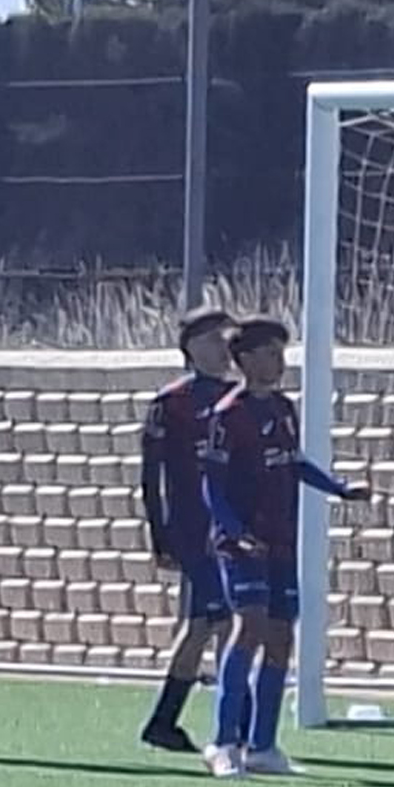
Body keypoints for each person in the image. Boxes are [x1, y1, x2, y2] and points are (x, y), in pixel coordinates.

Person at [200, 319, 369, 779]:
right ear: (246, 359)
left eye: (282, 353)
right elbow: (211, 485)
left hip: (279, 542)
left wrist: (339, 488)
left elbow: (294, 463)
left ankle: (263, 746)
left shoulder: (283, 409)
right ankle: (224, 742)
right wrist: (236, 531)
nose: (280, 362)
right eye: (271, 353)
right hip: (241, 544)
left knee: (280, 637)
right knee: (249, 628)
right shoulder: (227, 414)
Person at [137, 307, 240, 753]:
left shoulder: (239, 398)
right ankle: (233, 727)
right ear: (191, 348)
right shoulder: (172, 402)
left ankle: (165, 721)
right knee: (225, 620)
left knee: (204, 624)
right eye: (214, 340)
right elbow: (151, 474)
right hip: (192, 531)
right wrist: (159, 535)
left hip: (231, 530)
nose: (223, 349)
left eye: (226, 340)